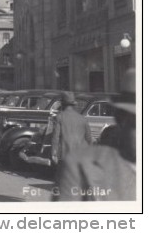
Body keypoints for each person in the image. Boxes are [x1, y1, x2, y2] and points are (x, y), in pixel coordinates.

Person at [56, 69, 136, 201]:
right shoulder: (83, 172)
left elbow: (56, 137)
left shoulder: (61, 117)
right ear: (121, 120)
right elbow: (89, 138)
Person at [51, 92, 93, 167]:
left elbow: (55, 137)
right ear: (73, 105)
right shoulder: (83, 119)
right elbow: (89, 139)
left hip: (65, 156)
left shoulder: (59, 117)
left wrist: (54, 153)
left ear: (62, 104)